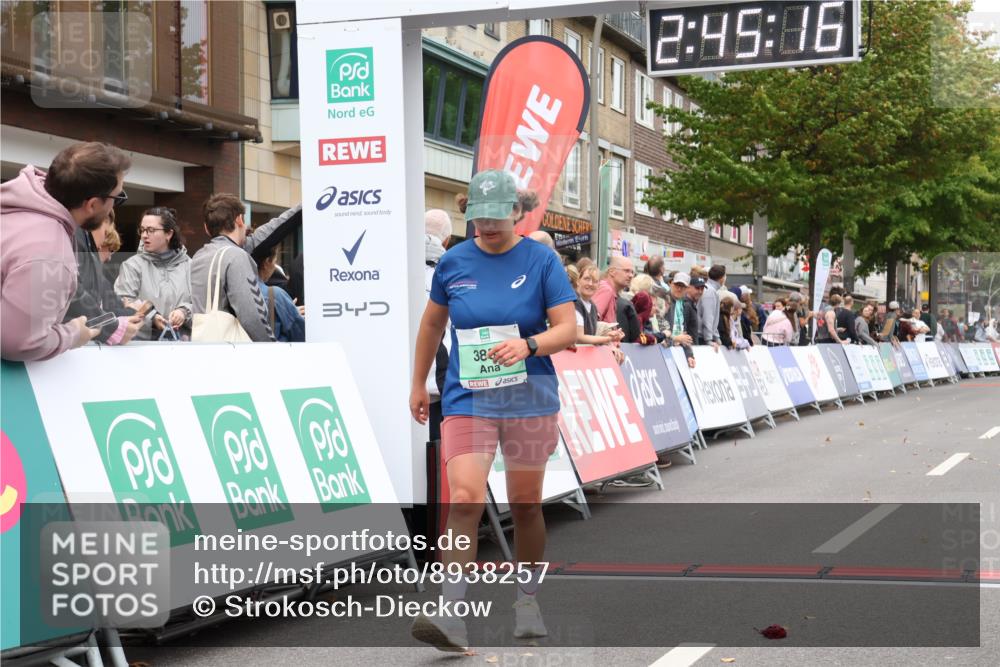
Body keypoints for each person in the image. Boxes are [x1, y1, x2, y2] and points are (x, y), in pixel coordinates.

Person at [408, 170, 576, 651]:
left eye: (496, 217)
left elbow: (566, 329)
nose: (486, 226)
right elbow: (432, 324)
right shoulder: (454, 261)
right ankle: (451, 613)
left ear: (518, 213)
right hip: (469, 397)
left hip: (528, 396)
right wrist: (418, 382)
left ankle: (527, 599)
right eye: (477, 217)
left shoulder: (542, 260)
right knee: (464, 497)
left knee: (525, 504)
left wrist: (529, 345)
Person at [1, 142, 132, 361]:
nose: (113, 207)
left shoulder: (15, 206)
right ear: (92, 205)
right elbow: (19, 343)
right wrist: (73, 334)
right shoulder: (48, 251)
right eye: (117, 198)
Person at [190, 194, 301, 342]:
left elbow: (266, 233)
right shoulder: (236, 256)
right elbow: (252, 316)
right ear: (239, 219)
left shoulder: (199, 256)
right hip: (234, 351)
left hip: (206, 346)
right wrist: (271, 347)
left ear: (206, 228)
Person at [62, 207, 142, 348]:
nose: (99, 246)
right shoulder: (76, 240)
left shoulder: (82, 245)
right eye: (105, 234)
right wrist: (112, 327)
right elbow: (75, 292)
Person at [115, 207, 193, 341]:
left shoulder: (189, 265)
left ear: (169, 234)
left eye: (151, 230)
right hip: (142, 347)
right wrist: (152, 317)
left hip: (183, 345)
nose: (144, 235)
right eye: (142, 230)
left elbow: (202, 303)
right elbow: (123, 302)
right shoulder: (132, 265)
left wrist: (184, 311)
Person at [425, 209, 454, 441]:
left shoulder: (392, 271)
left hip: (397, 387)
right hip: (441, 388)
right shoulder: (454, 274)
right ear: (447, 240)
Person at [567, 264, 624, 348]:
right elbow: (579, 337)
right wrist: (608, 339)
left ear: (598, 285)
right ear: (578, 281)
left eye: (595, 281)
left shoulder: (592, 306)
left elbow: (590, 332)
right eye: (587, 279)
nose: (590, 284)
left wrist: (610, 334)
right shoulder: (574, 302)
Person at [257, 246, 305, 342]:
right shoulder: (275, 295)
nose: (275, 266)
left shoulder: (234, 289)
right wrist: (292, 313)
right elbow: (301, 335)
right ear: (267, 263)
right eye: (275, 261)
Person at [592, 256, 634, 326]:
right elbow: (592, 318)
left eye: (632, 272)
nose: (631, 275)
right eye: (626, 271)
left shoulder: (610, 290)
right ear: (612, 271)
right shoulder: (606, 289)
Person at [697, 264, 725, 347]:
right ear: (722, 278)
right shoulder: (710, 291)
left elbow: (712, 319)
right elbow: (708, 316)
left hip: (703, 336)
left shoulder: (710, 290)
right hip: (702, 337)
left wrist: (716, 337)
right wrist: (709, 339)